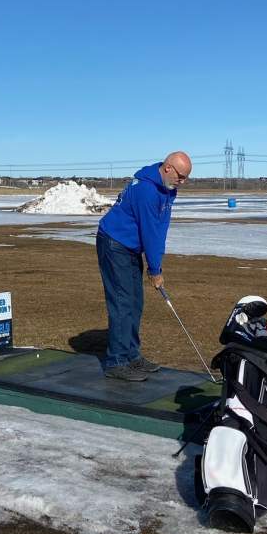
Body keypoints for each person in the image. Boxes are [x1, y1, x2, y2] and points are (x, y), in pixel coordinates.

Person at [95, 151, 192, 381]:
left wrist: (156, 264)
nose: (183, 181)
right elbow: (150, 231)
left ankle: (131, 354)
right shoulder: (147, 190)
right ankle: (117, 361)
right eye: (181, 176)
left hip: (129, 246)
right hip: (114, 243)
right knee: (122, 301)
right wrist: (154, 269)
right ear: (168, 168)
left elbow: (160, 228)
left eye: (186, 177)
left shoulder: (167, 188)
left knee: (135, 301)